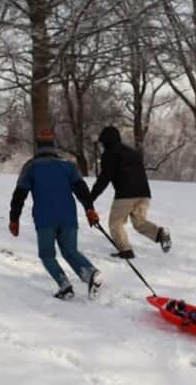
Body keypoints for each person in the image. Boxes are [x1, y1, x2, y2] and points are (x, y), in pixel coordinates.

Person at [9, 129, 103, 300]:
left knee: (46, 255)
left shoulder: (31, 167)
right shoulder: (67, 165)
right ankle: (90, 273)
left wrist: (14, 219)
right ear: (53, 147)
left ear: (37, 148)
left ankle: (65, 286)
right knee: (70, 250)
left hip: (45, 218)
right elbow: (81, 189)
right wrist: (89, 208)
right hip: (68, 216)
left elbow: (19, 194)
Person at [89, 125, 171, 259]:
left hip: (125, 195)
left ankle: (126, 250)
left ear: (106, 141)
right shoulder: (132, 152)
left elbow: (104, 178)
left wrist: (91, 197)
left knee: (115, 223)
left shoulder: (110, 154)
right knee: (139, 222)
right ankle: (160, 233)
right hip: (144, 193)